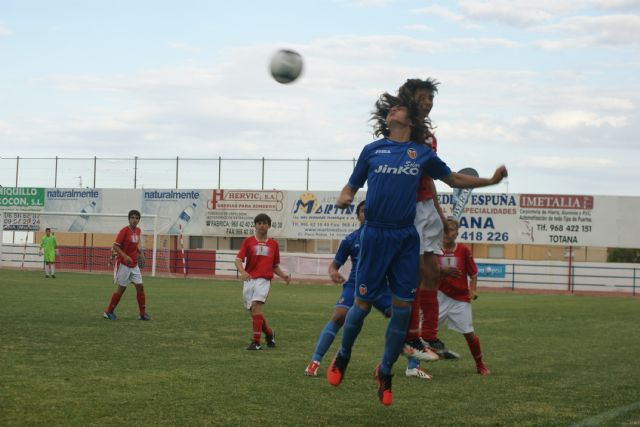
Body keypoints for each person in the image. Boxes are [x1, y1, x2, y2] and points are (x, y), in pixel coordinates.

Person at [327, 91, 506, 405]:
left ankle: (386, 371)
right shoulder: (372, 150)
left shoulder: (421, 153)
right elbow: (351, 185)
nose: (393, 110)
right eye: (391, 107)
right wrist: (344, 196)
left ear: (409, 119)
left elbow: (452, 178)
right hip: (376, 236)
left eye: (399, 107)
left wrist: (490, 180)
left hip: (406, 237)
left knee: (403, 308)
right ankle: (343, 355)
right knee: (362, 304)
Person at [305, 200, 392, 377]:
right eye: (362, 211)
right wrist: (333, 272)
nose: (366, 214)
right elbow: (334, 265)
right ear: (357, 216)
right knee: (338, 317)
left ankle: (411, 365)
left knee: (401, 317)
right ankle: (315, 361)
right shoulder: (350, 239)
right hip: (355, 284)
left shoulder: (388, 238)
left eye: (369, 211)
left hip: (380, 286)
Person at [410, 217, 490, 376]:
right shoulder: (432, 250)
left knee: (469, 333)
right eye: (444, 229)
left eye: (451, 229)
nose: (447, 232)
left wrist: (472, 290)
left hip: (460, 299)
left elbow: (473, 273)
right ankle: (413, 365)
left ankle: (480, 364)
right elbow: (424, 270)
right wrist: (441, 272)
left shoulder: (464, 250)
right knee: (421, 334)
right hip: (437, 297)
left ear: (457, 233)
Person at [235, 213, 291, 351]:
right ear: (255, 225)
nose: (262, 225)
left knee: (255, 306)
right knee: (254, 311)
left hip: (264, 280)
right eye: (259, 223)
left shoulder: (274, 244)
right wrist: (243, 272)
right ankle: (270, 333)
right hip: (249, 280)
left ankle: (256, 342)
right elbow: (238, 260)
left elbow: (274, 265)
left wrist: (283, 276)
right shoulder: (248, 241)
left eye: (264, 223)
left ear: (269, 226)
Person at [103, 210, 151, 321]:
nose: (135, 220)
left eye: (137, 218)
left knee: (140, 287)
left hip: (134, 265)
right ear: (129, 219)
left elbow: (135, 246)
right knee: (122, 289)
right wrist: (125, 256)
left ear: (139, 220)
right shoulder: (124, 231)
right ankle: (108, 312)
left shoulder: (138, 230)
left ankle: (142, 314)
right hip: (124, 265)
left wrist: (141, 253)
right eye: (132, 217)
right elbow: (115, 246)